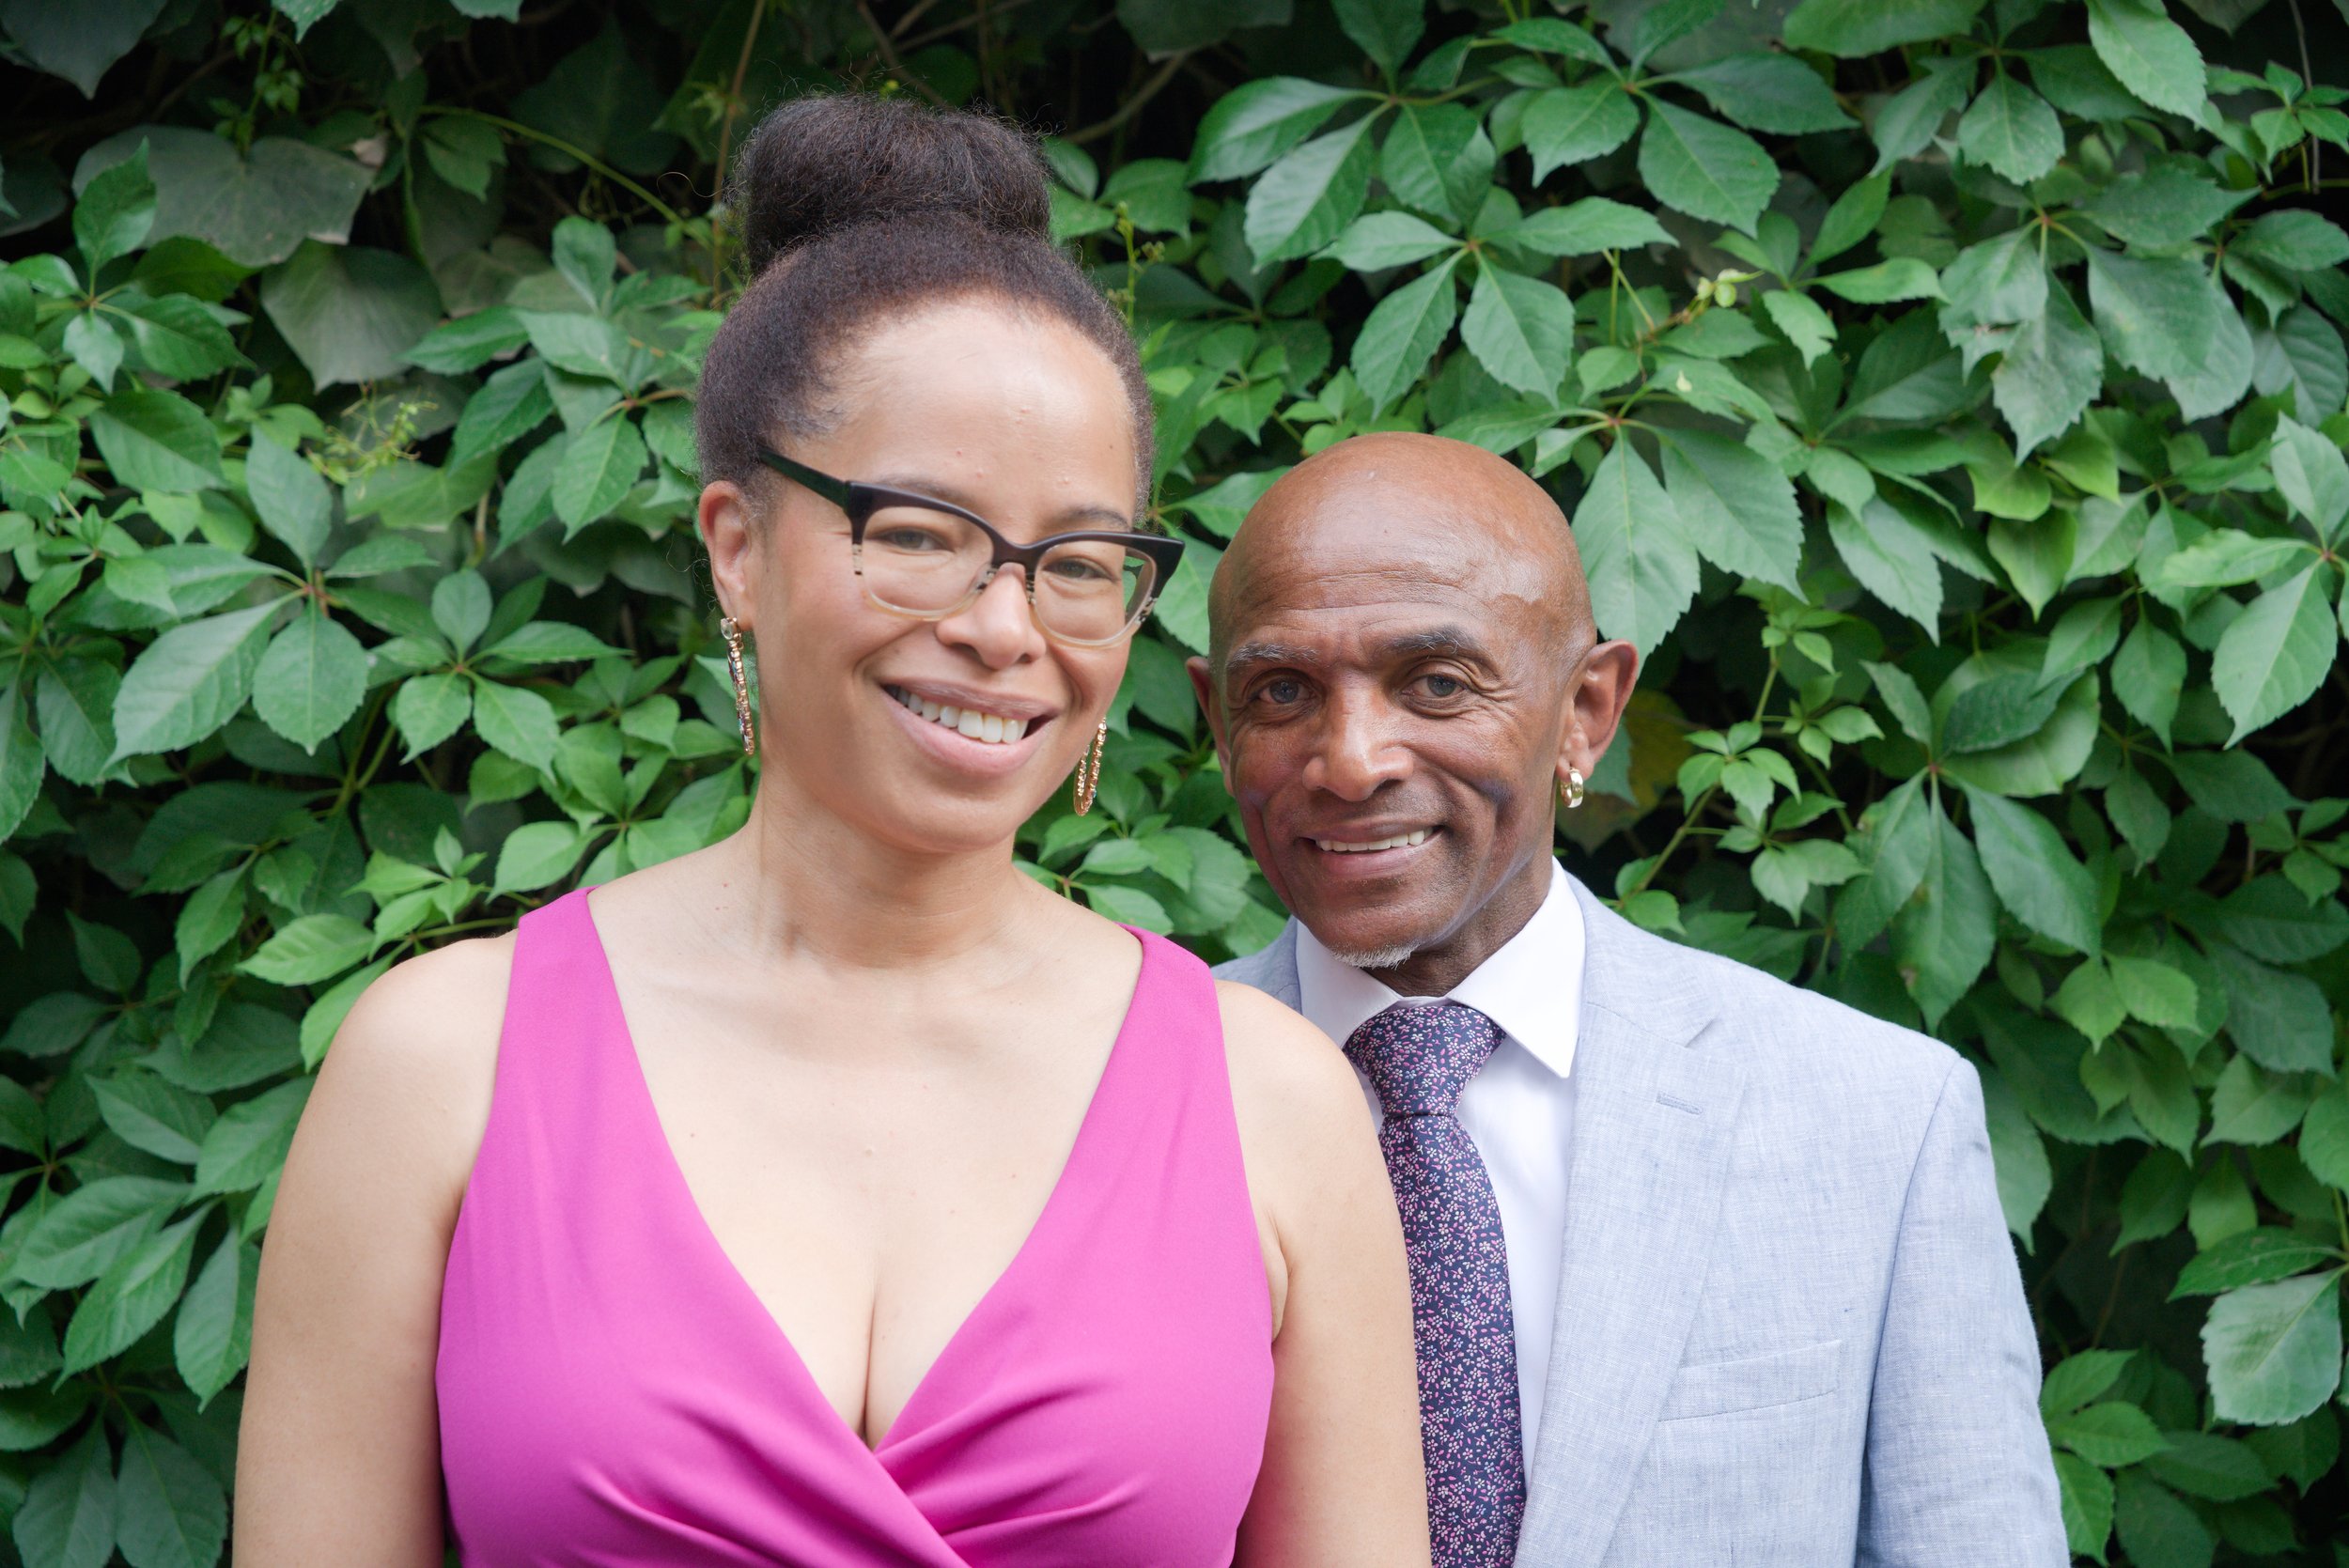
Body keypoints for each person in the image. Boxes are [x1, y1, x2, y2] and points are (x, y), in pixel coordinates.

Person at [235, 97, 1430, 1568]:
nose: (1006, 628)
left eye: (1076, 562)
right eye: (922, 533)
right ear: (737, 549)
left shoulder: (1278, 1108)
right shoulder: (439, 1064)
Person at [1191, 431, 2068, 1568]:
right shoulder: (1107, 1095)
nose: (1351, 759)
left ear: (1587, 710)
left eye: (1439, 683)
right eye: (1282, 690)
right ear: (1218, 722)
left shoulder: (1877, 1120)